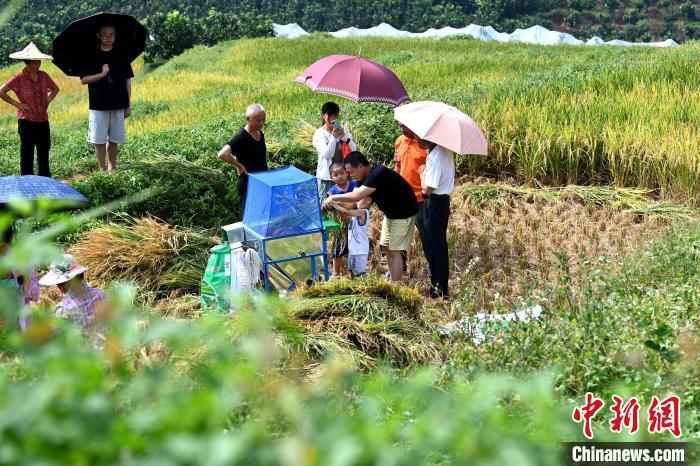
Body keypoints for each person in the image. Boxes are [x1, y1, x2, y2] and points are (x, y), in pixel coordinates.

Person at [323, 151, 418, 283]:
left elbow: (357, 196)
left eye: (351, 171)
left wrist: (333, 197)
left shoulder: (378, 174)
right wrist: (336, 207)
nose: (350, 175)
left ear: (361, 166)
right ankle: (393, 279)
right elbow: (356, 204)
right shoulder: (361, 179)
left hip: (403, 214)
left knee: (395, 251)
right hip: (390, 215)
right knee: (386, 247)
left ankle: (396, 285)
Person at [80, 24, 134, 171]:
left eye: (112, 34)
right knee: (99, 139)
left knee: (115, 138)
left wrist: (128, 104)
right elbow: (84, 80)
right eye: (105, 35)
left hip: (119, 103)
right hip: (98, 104)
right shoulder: (90, 55)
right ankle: (102, 169)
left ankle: (112, 166)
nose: (109, 38)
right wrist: (102, 74)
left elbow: (127, 80)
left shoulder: (121, 54)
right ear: (98, 35)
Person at [0, 42, 59, 177]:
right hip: (26, 120)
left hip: (43, 119)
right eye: (35, 61)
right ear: (28, 62)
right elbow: (2, 91)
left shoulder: (44, 75)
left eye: (39, 60)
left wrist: (48, 100)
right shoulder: (18, 78)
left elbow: (56, 88)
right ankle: (28, 180)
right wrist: (17, 104)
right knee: (27, 151)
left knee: (44, 150)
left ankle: (45, 178)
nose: (38, 63)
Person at [416, 138, 455, 299]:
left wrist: (421, 174)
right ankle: (437, 286)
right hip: (440, 202)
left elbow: (428, 188)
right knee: (435, 246)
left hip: (435, 202)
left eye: (420, 137)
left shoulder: (436, 157)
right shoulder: (441, 151)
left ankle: (439, 291)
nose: (417, 140)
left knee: (435, 248)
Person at [218, 103, 268, 213]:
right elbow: (222, 154)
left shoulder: (259, 133)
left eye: (263, 119)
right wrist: (239, 165)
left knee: (263, 212)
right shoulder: (241, 137)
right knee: (251, 213)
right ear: (248, 119)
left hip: (262, 180)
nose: (261, 123)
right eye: (257, 120)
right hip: (248, 181)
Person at [394, 122, 428, 273]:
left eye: (405, 126)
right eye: (400, 126)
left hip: (422, 198)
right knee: (400, 234)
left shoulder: (425, 144)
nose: (402, 129)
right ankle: (401, 266)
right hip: (402, 197)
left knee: (426, 234)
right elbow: (398, 166)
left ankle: (431, 265)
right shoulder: (399, 141)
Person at [39, 254, 106, 330]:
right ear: (81, 275)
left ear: (61, 285)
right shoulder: (102, 294)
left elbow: (57, 338)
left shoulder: (63, 309)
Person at [312, 101, 356, 201]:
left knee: (346, 205)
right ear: (323, 116)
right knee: (326, 206)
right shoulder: (319, 134)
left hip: (344, 175)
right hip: (327, 178)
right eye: (330, 115)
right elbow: (327, 155)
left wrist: (345, 138)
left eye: (335, 115)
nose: (333, 118)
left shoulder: (342, 129)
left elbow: (353, 150)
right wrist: (333, 137)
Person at [326, 162, 357, 278]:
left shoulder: (355, 185)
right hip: (339, 225)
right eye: (336, 175)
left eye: (342, 173)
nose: (339, 176)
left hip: (355, 222)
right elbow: (330, 208)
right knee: (337, 248)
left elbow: (359, 201)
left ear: (347, 173)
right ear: (331, 178)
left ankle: (354, 271)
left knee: (354, 248)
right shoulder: (331, 192)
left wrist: (350, 207)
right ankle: (335, 273)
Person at [330, 195, 372, 278]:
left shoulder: (363, 212)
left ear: (368, 200)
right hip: (354, 249)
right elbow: (344, 212)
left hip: (359, 250)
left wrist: (333, 204)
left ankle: (364, 288)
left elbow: (346, 212)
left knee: (358, 274)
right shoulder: (356, 213)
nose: (356, 201)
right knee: (352, 271)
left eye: (358, 199)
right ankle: (357, 287)